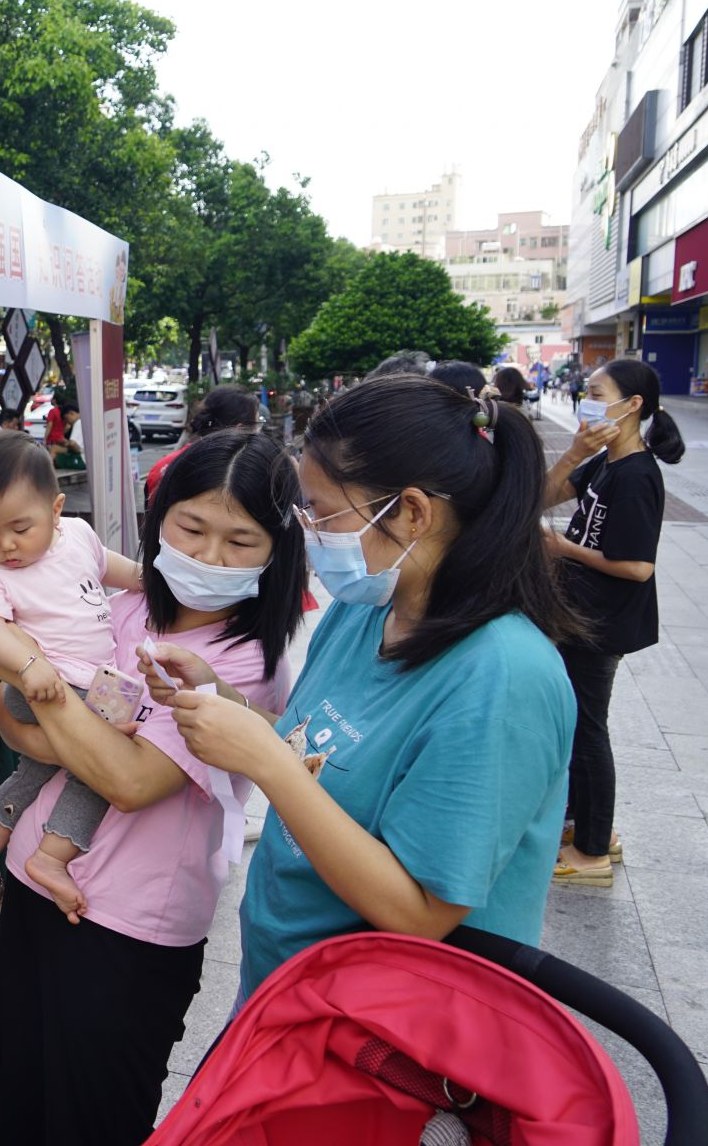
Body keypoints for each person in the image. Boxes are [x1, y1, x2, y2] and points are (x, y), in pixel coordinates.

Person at [143, 376, 577, 1011]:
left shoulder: (502, 677)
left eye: (321, 510)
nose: (309, 530)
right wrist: (223, 701)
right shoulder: (367, 607)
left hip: (381, 1034)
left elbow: (421, 912)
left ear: (410, 512)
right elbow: (317, 748)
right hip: (285, 993)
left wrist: (262, 761)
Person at [0, 428, 307, 1143]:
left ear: (277, 549)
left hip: (123, 924)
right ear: (159, 520)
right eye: (190, 528)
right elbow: (5, 719)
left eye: (239, 540)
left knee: (89, 1119)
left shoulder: (243, 660)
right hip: (37, 889)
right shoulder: (116, 605)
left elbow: (127, 780)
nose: (208, 556)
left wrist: (39, 683)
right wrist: (39, 699)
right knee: (13, 1095)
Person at [0, 431, 145, 920]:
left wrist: (149, 580)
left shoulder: (79, 536)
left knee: (35, 770)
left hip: (86, 682)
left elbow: (110, 568)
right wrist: (28, 666)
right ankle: (51, 856)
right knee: (103, 766)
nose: (6, 545)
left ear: (57, 508)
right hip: (48, 685)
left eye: (20, 527)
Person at [544, 359, 686, 885]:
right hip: (580, 614)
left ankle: (593, 852)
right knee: (576, 724)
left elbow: (637, 566)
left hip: (603, 622)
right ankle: (585, 828)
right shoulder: (604, 462)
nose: (586, 398)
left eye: (596, 391)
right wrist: (576, 454)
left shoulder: (637, 475)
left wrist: (565, 547)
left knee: (587, 730)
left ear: (631, 406)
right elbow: (540, 497)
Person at [145, 384, 259, 503]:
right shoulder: (246, 473)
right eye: (257, 423)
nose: (258, 432)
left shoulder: (166, 465)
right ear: (239, 429)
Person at [43, 391, 81, 467]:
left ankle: (47, 468)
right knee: (57, 450)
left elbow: (49, 426)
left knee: (52, 451)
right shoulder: (63, 412)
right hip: (61, 437)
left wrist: (45, 438)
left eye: (52, 399)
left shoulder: (53, 411)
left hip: (53, 438)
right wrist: (62, 434)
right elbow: (68, 426)